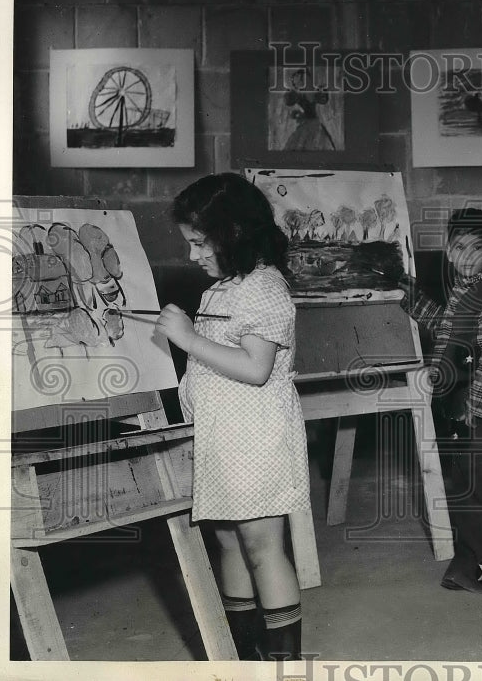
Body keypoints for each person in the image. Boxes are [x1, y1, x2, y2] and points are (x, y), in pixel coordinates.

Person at [155, 173, 310, 661]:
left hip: (256, 442)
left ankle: (282, 665)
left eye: (200, 243)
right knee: (227, 543)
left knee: (263, 549)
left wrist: (186, 337)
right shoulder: (224, 287)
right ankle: (246, 660)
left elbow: (256, 368)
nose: (193, 255)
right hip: (222, 440)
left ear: (235, 233)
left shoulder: (264, 287)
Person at [399, 208, 482, 593]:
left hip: (478, 409)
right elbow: (447, 328)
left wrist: (475, 409)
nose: (467, 256)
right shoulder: (463, 292)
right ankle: (471, 557)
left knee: (479, 489)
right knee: (464, 486)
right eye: (460, 247)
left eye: (477, 248)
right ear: (449, 251)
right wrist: (413, 301)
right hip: (457, 406)